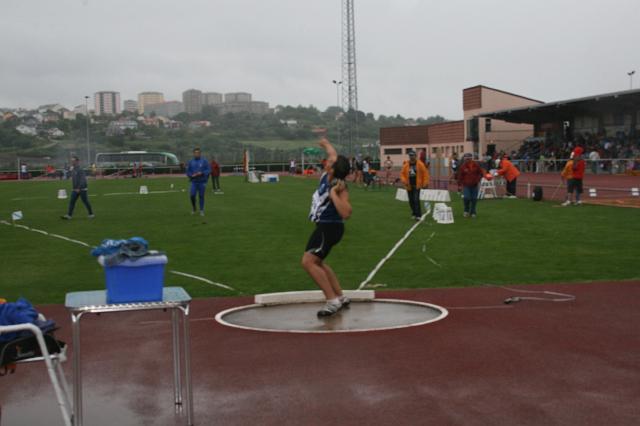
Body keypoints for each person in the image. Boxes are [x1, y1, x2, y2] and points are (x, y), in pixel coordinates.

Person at [301, 136, 352, 317]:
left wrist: (333, 195)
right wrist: (326, 144)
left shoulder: (339, 186)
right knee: (319, 262)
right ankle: (340, 296)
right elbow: (333, 153)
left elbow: (346, 212)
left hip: (329, 228)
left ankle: (332, 301)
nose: (327, 160)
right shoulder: (326, 174)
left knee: (308, 262)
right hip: (324, 227)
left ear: (334, 168)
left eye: (330, 161)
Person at [400, 151, 429, 220]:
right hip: (409, 186)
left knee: (416, 200)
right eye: (410, 155)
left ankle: (418, 215)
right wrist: (404, 181)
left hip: (417, 185)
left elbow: (425, 174)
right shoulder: (406, 165)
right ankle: (414, 213)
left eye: (412, 155)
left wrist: (425, 183)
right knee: (411, 200)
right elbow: (402, 174)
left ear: (415, 156)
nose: (411, 157)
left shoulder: (420, 164)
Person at [456, 153, 484, 218]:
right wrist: (459, 185)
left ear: (471, 158)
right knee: (466, 197)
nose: (467, 159)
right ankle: (466, 210)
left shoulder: (476, 165)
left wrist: (478, 179)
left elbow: (480, 173)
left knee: (474, 199)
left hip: (475, 185)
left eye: (469, 158)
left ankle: (473, 212)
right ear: (464, 159)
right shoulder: (463, 167)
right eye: (466, 158)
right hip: (466, 185)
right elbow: (460, 176)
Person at [186, 147, 211, 216]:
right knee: (192, 195)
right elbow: (188, 171)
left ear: (200, 154)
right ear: (193, 154)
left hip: (202, 182)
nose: (197, 154)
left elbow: (208, 170)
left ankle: (201, 210)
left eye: (198, 153)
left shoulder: (204, 161)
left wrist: (202, 173)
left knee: (201, 196)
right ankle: (194, 208)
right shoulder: (191, 162)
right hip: (194, 182)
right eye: (195, 153)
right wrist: (191, 175)